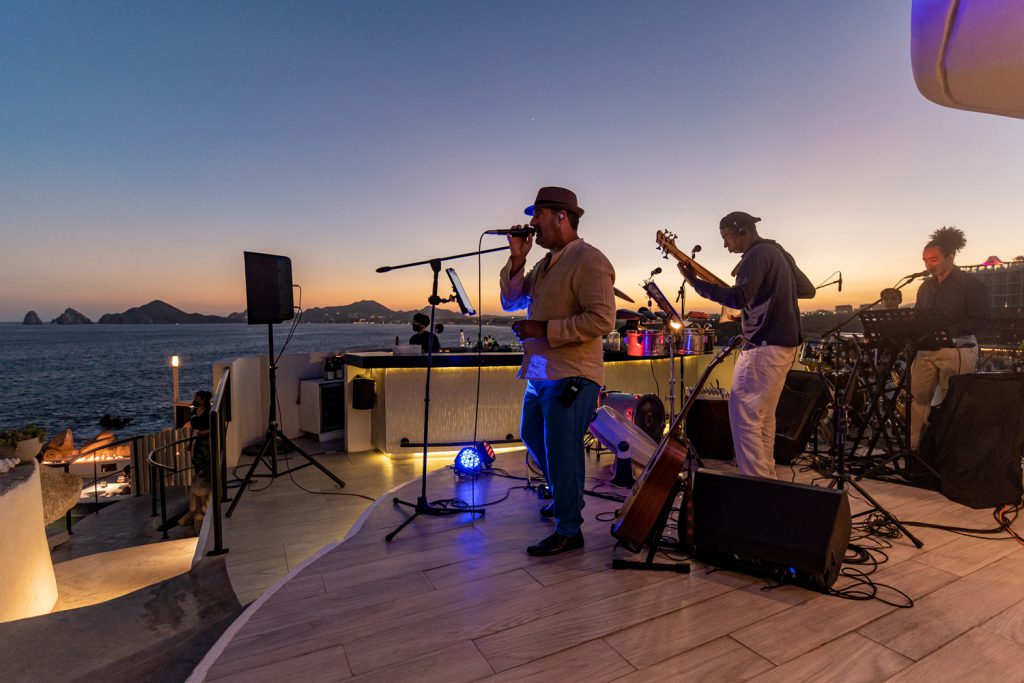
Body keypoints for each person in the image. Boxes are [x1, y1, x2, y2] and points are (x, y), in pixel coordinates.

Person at [500, 186, 615, 556]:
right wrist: (517, 258)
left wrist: (544, 329)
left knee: (562, 448)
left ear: (561, 216)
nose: (532, 223)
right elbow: (511, 299)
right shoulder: (545, 263)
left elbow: (602, 319)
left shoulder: (589, 260)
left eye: (539, 215)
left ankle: (570, 528)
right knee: (531, 433)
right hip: (541, 372)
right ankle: (565, 498)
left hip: (572, 373)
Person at [679, 211, 815, 479]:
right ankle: (766, 482)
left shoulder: (756, 255)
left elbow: (739, 297)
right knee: (763, 419)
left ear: (741, 231)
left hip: (763, 346)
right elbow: (807, 289)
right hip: (785, 347)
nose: (726, 245)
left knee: (744, 418)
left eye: (726, 237)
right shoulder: (778, 253)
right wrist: (774, 288)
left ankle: (754, 486)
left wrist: (695, 283)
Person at [909, 226, 988, 451]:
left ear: (950, 257)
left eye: (933, 259)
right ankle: (915, 451)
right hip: (926, 350)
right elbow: (918, 316)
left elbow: (982, 319)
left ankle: (950, 454)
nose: (927, 265)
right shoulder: (925, 287)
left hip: (957, 350)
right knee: (917, 399)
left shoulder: (972, 285)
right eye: (925, 260)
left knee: (954, 402)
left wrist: (949, 333)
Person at [180, 390, 213, 532]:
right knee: (196, 460)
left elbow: (212, 426)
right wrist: (190, 442)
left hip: (206, 439)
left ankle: (206, 477)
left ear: (204, 399)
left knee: (204, 459)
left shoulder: (210, 411)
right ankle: (199, 475)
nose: (196, 400)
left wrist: (205, 433)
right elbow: (193, 426)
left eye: (198, 398)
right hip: (198, 438)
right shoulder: (195, 411)